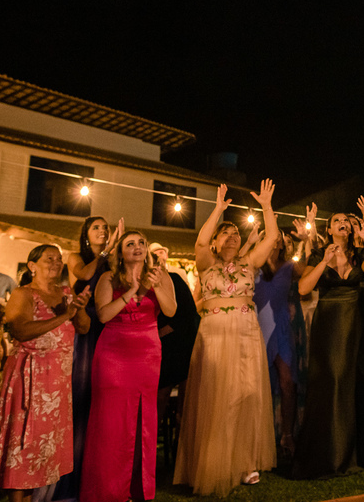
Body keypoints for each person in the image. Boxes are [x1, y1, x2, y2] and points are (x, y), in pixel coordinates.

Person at [174, 182, 278, 494]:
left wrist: (267, 206)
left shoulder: (249, 262)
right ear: (217, 243)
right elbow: (201, 241)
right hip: (215, 334)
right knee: (215, 396)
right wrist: (218, 209)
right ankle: (210, 463)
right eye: (225, 234)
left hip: (246, 332)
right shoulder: (206, 263)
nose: (232, 237)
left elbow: (271, 237)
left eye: (235, 234)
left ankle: (245, 462)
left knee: (246, 394)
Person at [0, 244, 92, 502]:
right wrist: (63, 316)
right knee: (23, 446)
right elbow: (20, 330)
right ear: (32, 266)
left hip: (56, 383)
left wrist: (79, 309)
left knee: (44, 451)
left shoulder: (65, 293)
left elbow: (84, 329)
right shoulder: (23, 294)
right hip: (29, 379)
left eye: (58, 259)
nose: (56, 263)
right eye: (49, 259)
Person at [292, 209, 364, 478]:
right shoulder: (318, 255)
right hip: (331, 324)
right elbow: (303, 289)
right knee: (333, 380)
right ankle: (331, 454)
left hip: (359, 321)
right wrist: (325, 261)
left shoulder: (359, 254)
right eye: (337, 221)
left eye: (346, 220)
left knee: (360, 382)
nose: (343, 223)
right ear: (329, 230)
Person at [82, 228, 176, 502]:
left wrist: (155, 285)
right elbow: (102, 315)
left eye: (141, 243)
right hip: (114, 353)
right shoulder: (110, 278)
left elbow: (170, 311)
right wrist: (132, 291)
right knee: (111, 424)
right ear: (120, 253)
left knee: (142, 422)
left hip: (147, 354)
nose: (137, 247)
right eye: (130, 243)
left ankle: (137, 489)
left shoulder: (161, 275)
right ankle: (107, 491)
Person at [53, 214, 117, 502]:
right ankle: (71, 480)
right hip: (83, 328)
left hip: (108, 325)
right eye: (97, 227)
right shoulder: (75, 256)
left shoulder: (112, 259)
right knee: (81, 398)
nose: (102, 231)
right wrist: (104, 252)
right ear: (86, 233)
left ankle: (100, 475)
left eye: (106, 227)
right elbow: (84, 276)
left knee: (104, 401)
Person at [251, 223, 303, 457]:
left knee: (287, 382)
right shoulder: (254, 265)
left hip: (282, 326)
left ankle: (288, 435)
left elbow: (310, 272)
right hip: (258, 325)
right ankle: (258, 435)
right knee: (257, 384)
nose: (275, 240)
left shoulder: (289, 266)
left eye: (278, 237)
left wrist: (305, 240)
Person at [148, 242, 198, 438]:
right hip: (156, 348)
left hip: (180, 346)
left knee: (184, 401)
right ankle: (151, 442)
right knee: (159, 398)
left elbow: (188, 314)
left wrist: (159, 332)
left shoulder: (176, 279)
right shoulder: (141, 285)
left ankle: (182, 446)